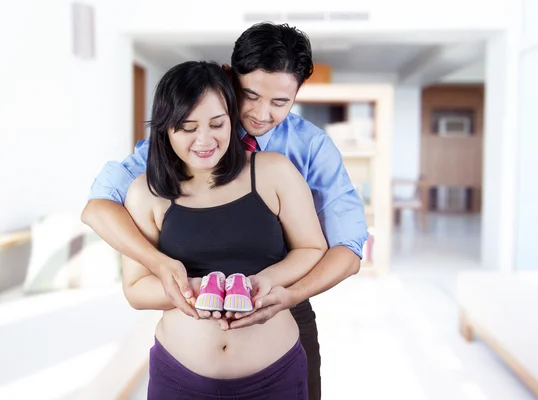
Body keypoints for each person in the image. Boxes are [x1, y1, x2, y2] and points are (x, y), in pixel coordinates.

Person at [81, 22, 369, 400]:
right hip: (188, 348)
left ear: (296, 95)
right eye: (250, 95)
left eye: (280, 102)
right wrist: (163, 265)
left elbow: (347, 251)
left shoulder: (307, 149)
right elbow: (98, 207)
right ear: (231, 78)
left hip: (284, 306)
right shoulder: (189, 137)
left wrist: (287, 294)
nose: (262, 114)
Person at [122, 60, 327, 398]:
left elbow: (312, 247)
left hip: (275, 376)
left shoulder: (274, 172)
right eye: (187, 128)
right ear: (165, 129)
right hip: (179, 379)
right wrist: (192, 291)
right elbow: (135, 288)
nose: (205, 140)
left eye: (217, 124)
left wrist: (265, 281)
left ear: (232, 120)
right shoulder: (145, 193)